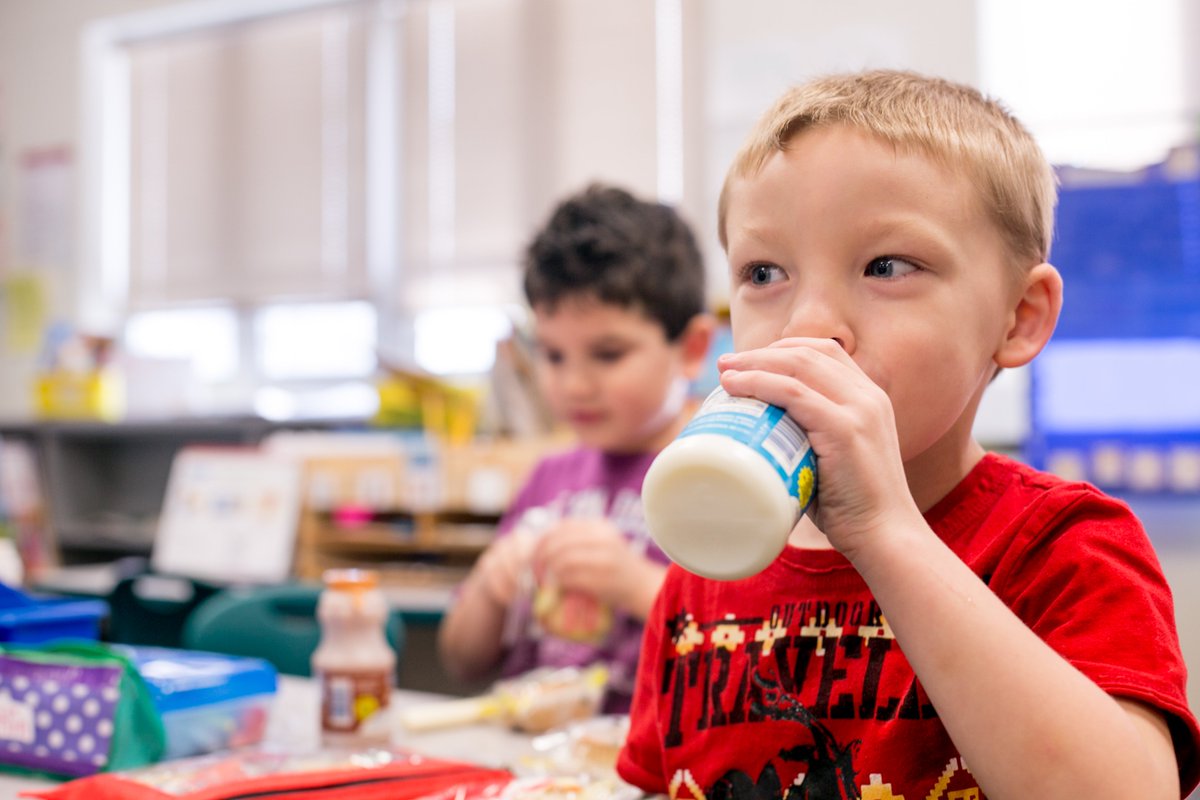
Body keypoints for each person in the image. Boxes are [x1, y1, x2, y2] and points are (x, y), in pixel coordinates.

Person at [617, 70, 1200, 799]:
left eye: (886, 266)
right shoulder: (706, 563)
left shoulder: (1063, 546)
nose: (807, 324)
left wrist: (886, 532)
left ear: (1018, 317)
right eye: (764, 272)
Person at [438, 183, 713, 712]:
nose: (574, 385)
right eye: (554, 355)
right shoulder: (549, 477)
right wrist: (490, 590)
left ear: (692, 349)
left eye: (607, 355)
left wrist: (637, 586)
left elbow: (755, 655)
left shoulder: (719, 477)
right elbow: (461, 660)